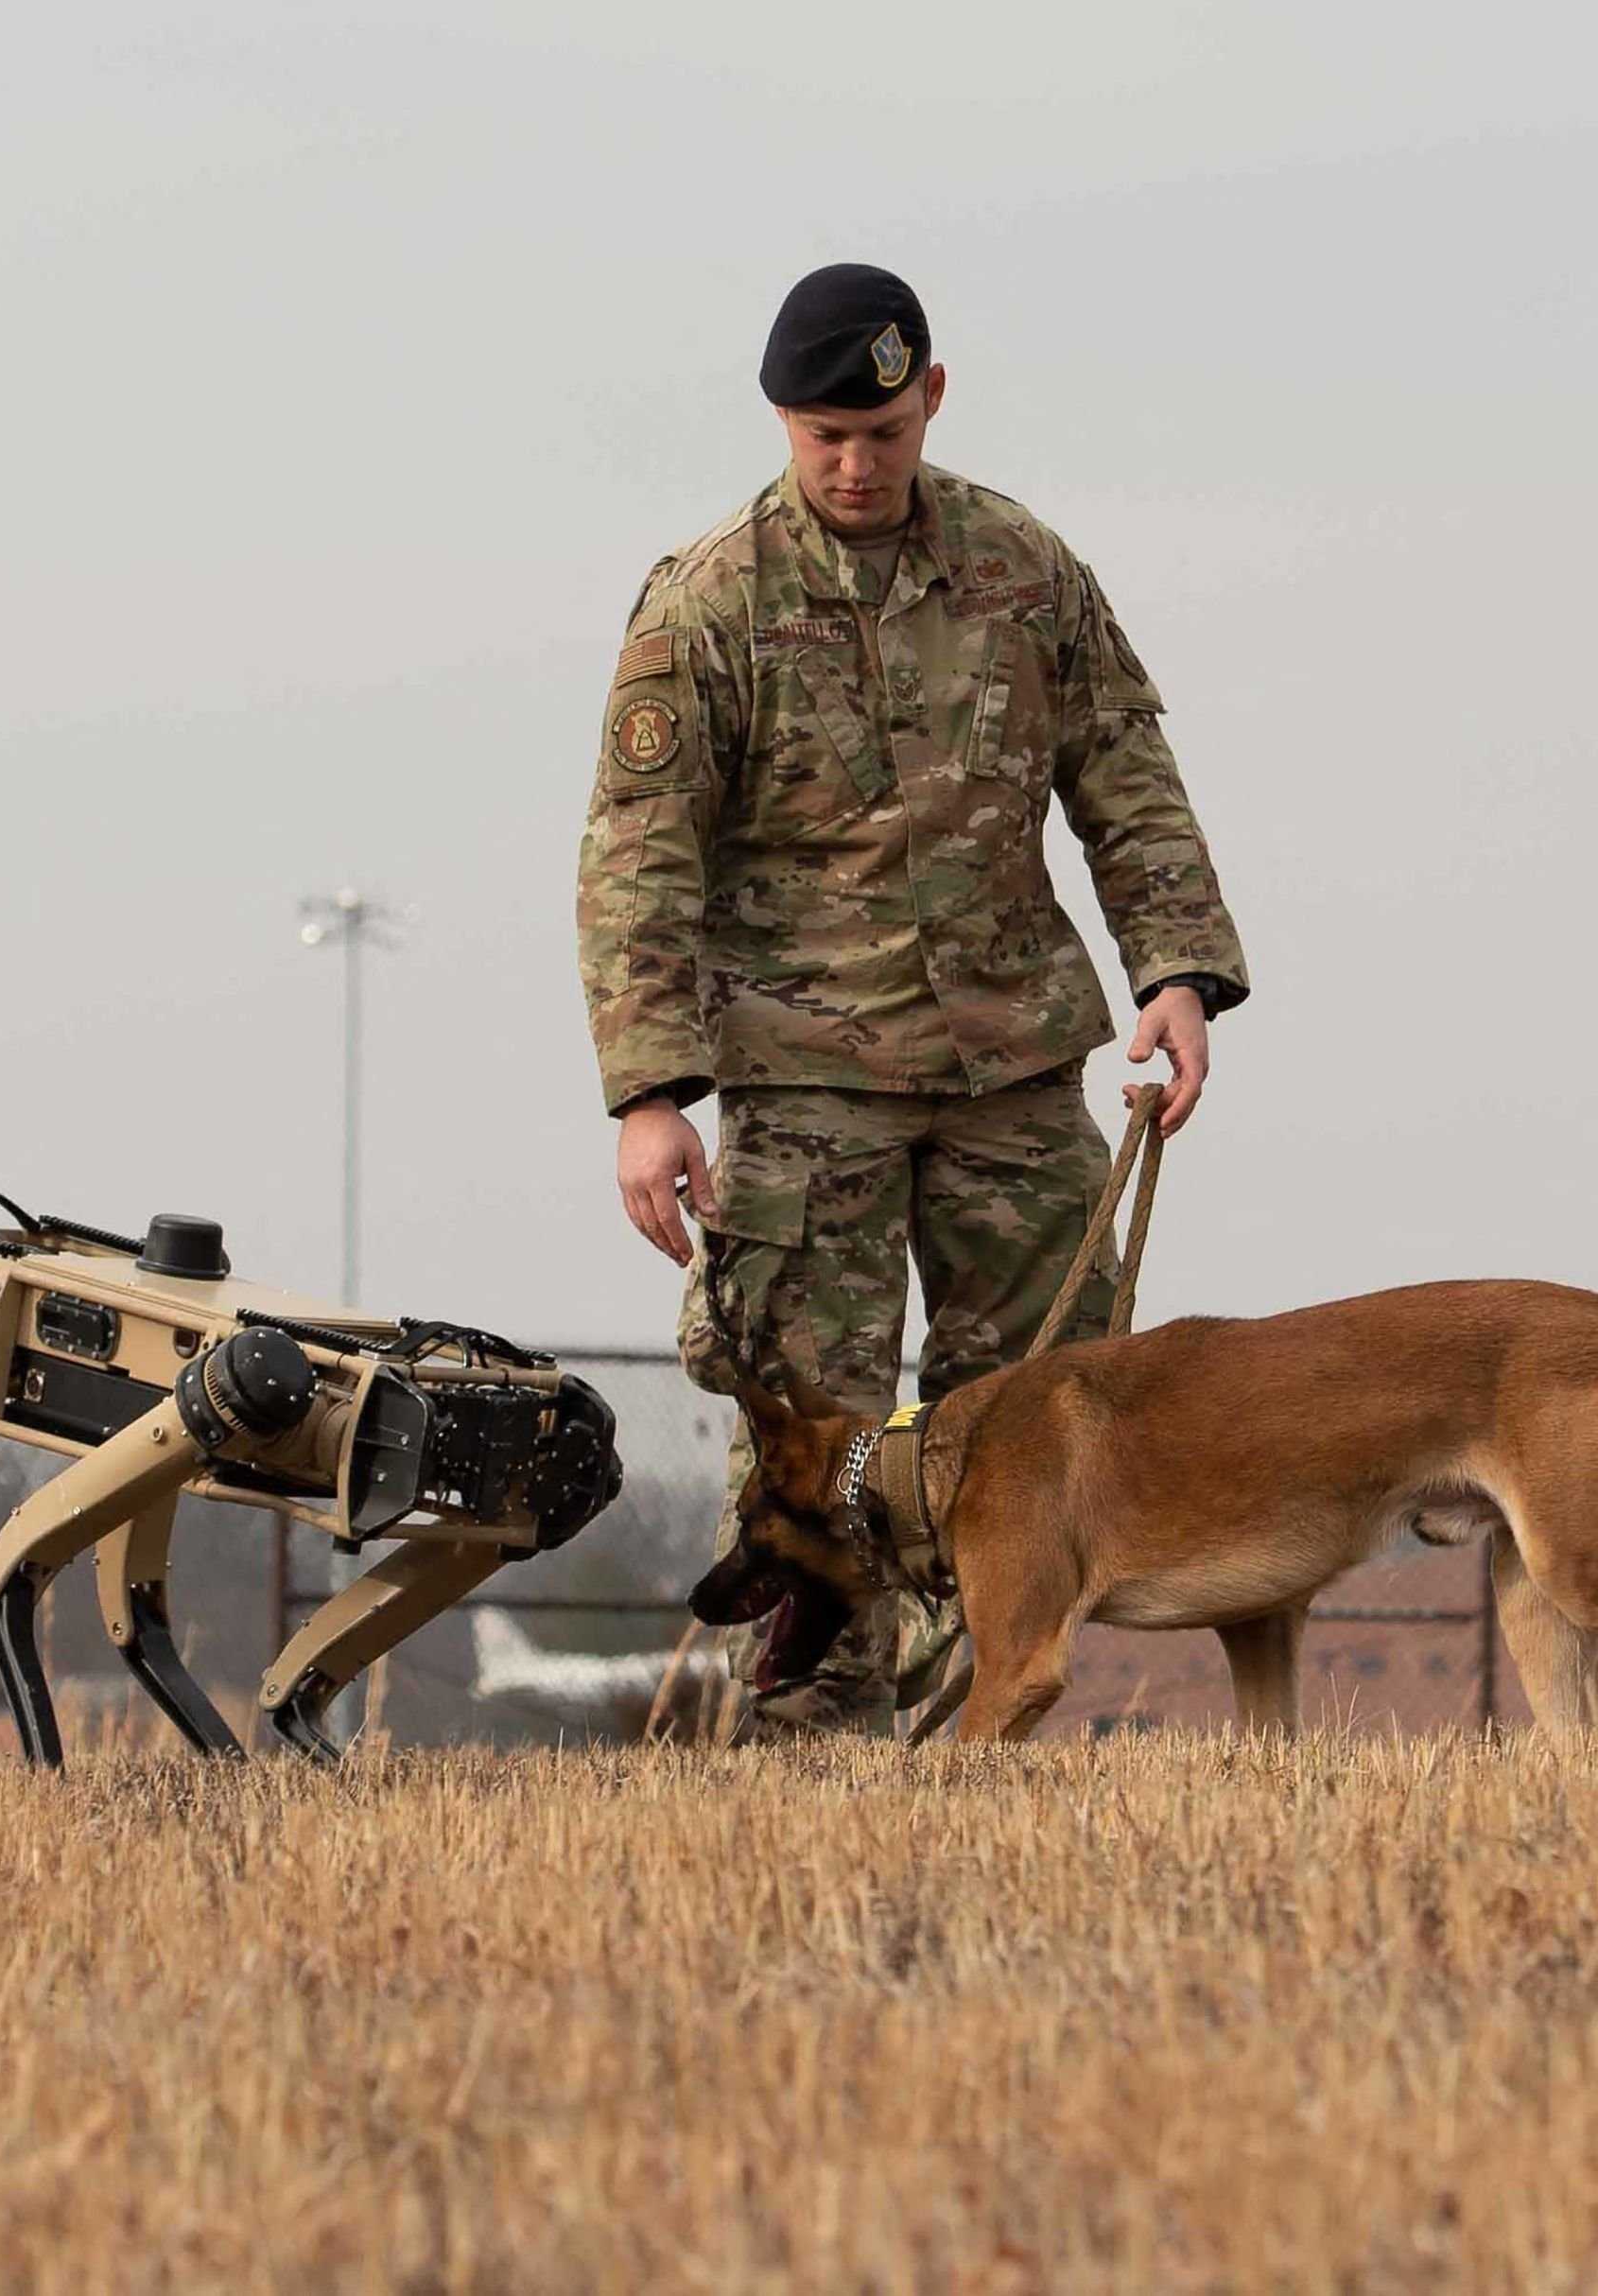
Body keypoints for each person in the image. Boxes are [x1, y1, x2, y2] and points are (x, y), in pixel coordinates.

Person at [574, 262, 1250, 1736]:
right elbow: (639, 857)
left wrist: (1179, 973)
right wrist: (649, 1095)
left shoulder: (1024, 568)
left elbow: (1124, 774)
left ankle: (984, 1706)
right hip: (804, 1080)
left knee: (1046, 1410)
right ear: (779, 421)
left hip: (1013, 1066)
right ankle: (818, 1726)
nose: (855, 463)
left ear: (930, 397)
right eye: (824, 435)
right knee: (810, 1425)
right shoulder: (708, 605)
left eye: (880, 429)